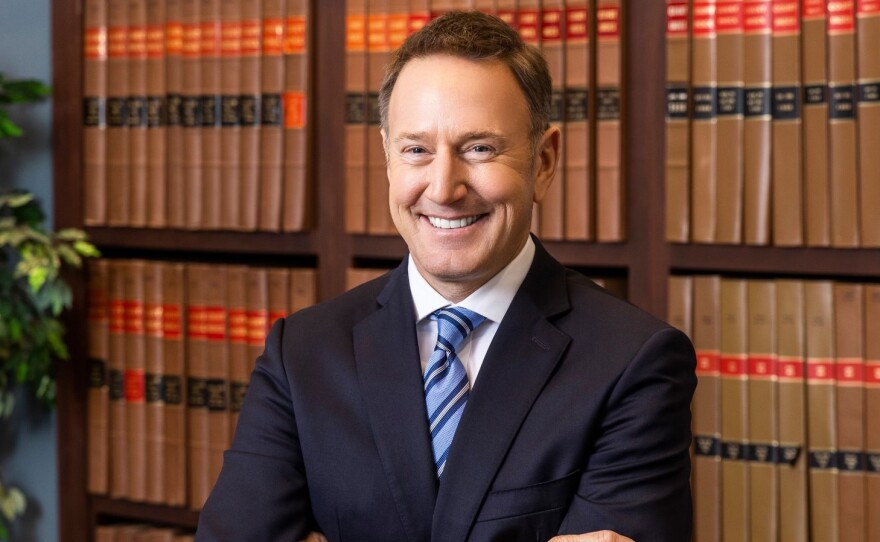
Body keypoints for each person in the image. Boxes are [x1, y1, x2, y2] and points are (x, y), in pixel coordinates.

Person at [196, 11, 695, 542]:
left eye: (479, 148)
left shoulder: (634, 361)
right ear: (388, 158)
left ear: (544, 162)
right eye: (417, 150)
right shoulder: (301, 352)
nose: (443, 187)